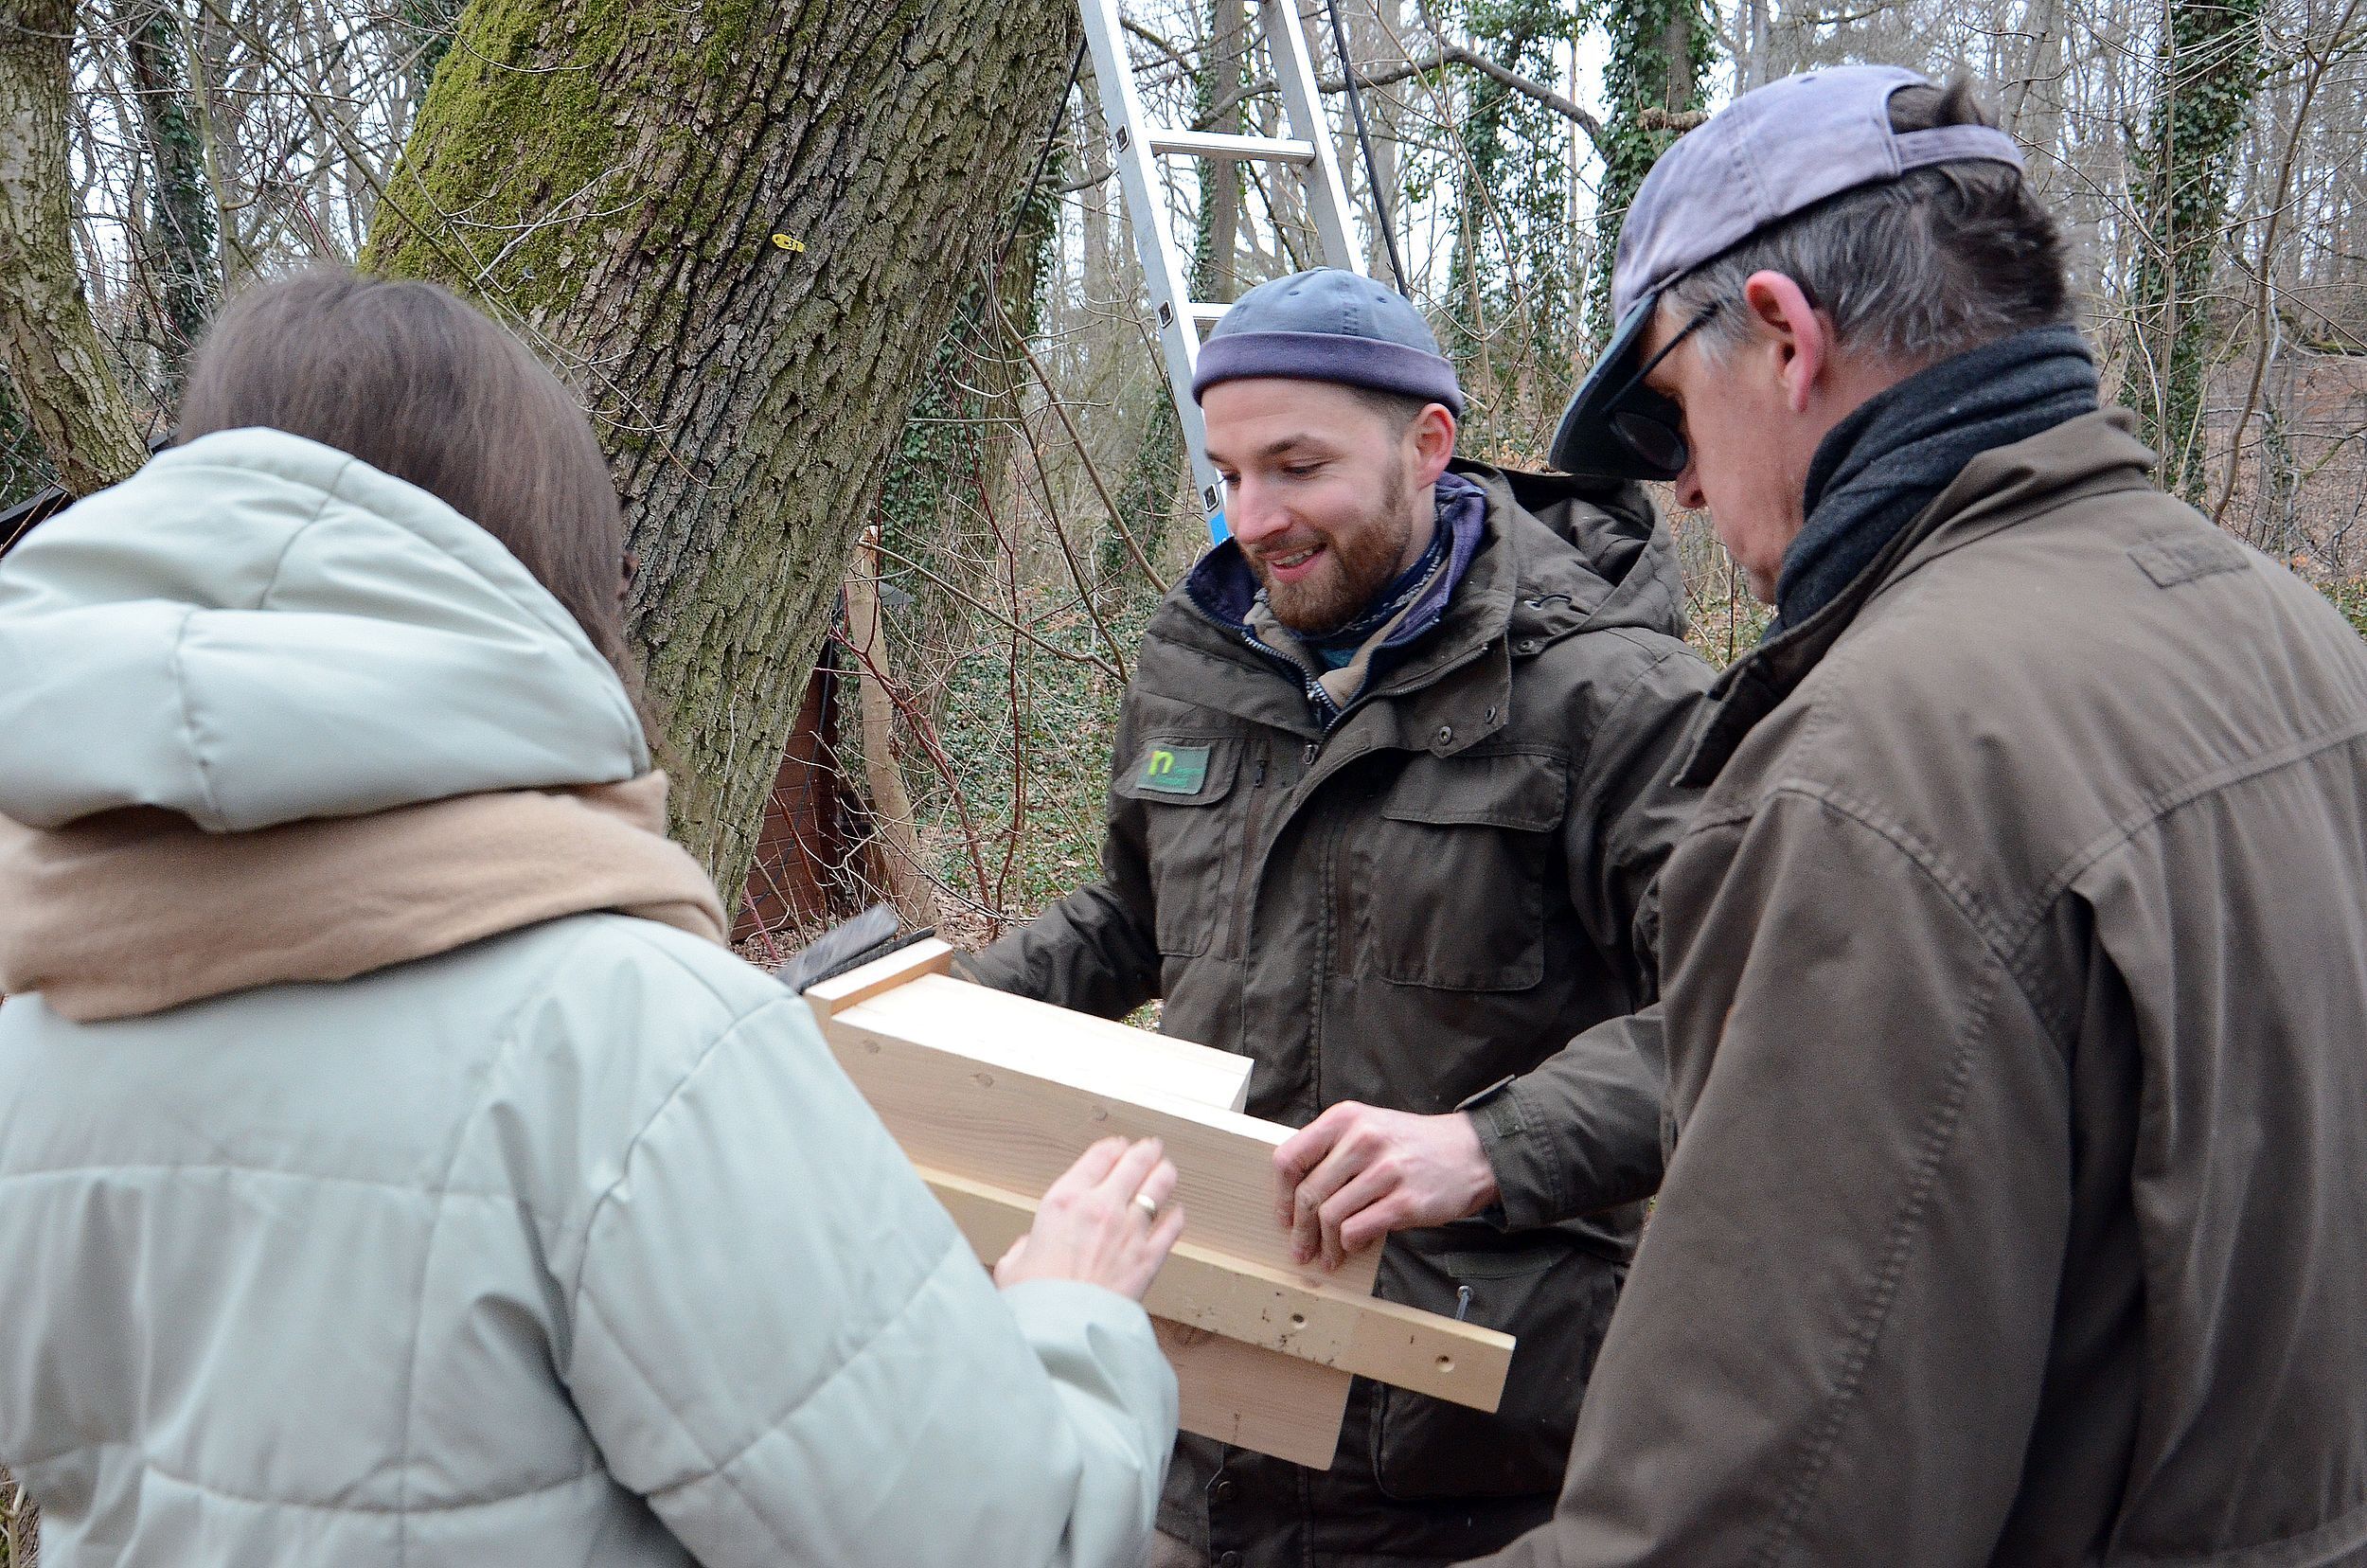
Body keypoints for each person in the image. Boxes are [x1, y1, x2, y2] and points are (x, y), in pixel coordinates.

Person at [0, 271, 1187, 1568]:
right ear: (539, 571)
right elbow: (999, 1543)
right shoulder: (628, 1041)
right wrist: (1068, 1321)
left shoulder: (40, 1009)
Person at [1469, 66, 2367, 1566]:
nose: (1679, 489)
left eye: (1671, 413)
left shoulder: (1876, 772)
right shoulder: (2290, 633)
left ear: (1782, 334)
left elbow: (1742, 1527)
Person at [961, 268, 1714, 1568]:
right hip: (1197, 1416)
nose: (1255, 517)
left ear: (1428, 444)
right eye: (1228, 472)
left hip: (1471, 1452)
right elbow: (1132, 919)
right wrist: (923, 1017)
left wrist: (1485, 1145)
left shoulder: (1609, 693)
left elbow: (1739, 1014)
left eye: (1297, 467)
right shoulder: (1198, 663)